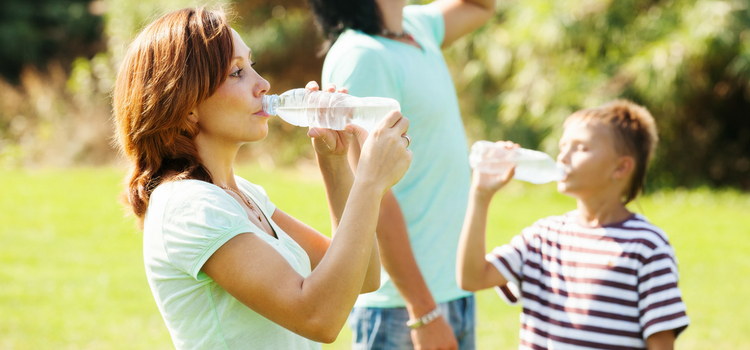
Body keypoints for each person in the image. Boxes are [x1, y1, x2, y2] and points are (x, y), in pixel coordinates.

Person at [112, 7, 413, 349]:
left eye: (251, 65)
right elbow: (319, 317)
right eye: (238, 73)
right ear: (187, 104)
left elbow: (363, 276)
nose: (263, 85)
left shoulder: (240, 194)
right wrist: (369, 183)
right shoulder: (187, 206)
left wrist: (334, 163)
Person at [307, 0, 496, 348]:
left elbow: (481, 6)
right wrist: (423, 310)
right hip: (403, 309)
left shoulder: (417, 26)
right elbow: (372, 191)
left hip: (451, 289)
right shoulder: (361, 56)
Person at [456, 101, 690, 349]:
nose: (563, 156)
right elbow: (471, 278)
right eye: (563, 146)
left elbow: (661, 342)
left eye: (581, 148)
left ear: (621, 167)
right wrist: (480, 195)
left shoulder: (647, 247)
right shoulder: (544, 236)